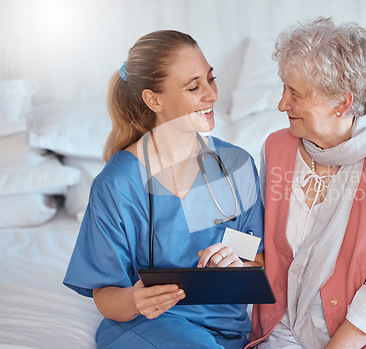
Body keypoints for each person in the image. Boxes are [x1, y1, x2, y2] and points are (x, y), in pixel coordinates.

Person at [247, 17, 366, 349]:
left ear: (342, 103)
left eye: (295, 93)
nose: (282, 104)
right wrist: (227, 253)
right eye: (284, 88)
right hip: (287, 322)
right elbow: (259, 240)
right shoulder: (275, 148)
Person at [63, 30, 264, 349]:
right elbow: (105, 296)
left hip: (231, 332)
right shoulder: (119, 184)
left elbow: (256, 257)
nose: (211, 95)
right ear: (153, 99)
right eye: (194, 87)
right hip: (152, 325)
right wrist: (135, 299)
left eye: (211, 79)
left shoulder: (236, 165)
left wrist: (238, 263)